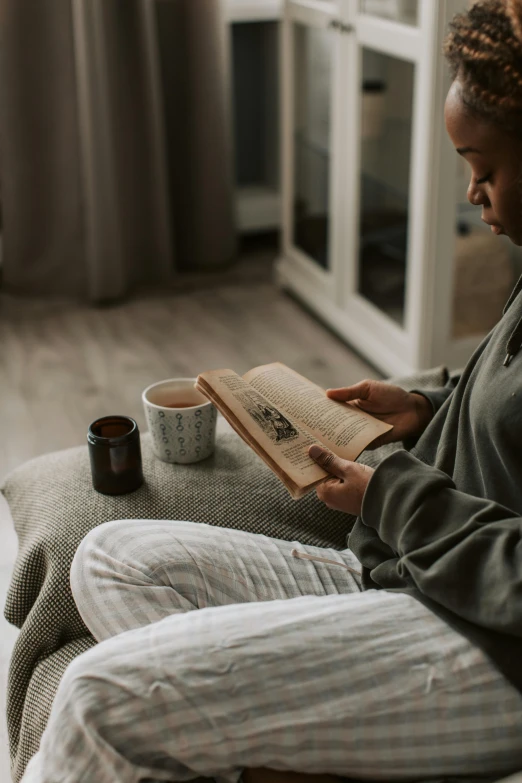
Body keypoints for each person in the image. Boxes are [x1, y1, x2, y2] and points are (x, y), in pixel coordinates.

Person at [21, 1, 522, 781]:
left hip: (493, 648)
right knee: (109, 556)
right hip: (412, 569)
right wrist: (426, 407)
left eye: (484, 168)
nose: (471, 193)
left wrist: (390, 492)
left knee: (95, 694)